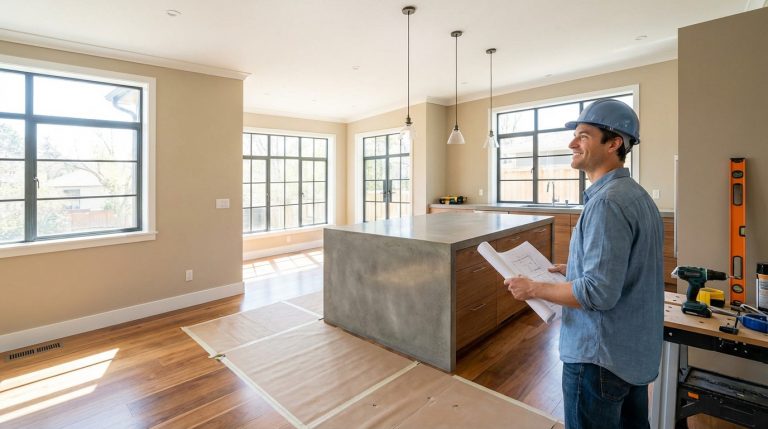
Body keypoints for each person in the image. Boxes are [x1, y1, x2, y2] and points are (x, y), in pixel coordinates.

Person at [505, 99, 664, 429]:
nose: (571, 143)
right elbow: (626, 270)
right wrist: (574, 269)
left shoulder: (607, 202)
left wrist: (533, 287)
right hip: (630, 355)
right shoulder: (636, 196)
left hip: (598, 359)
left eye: (583, 135)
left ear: (614, 142)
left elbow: (598, 294)